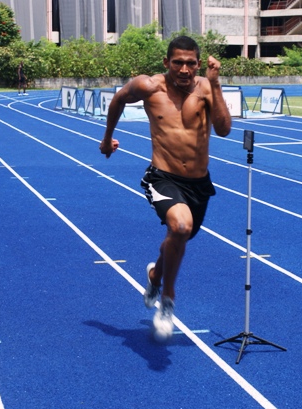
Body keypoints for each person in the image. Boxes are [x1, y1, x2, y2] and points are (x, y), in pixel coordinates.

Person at [99, 36, 232, 340]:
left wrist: (216, 83)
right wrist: (107, 138)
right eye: (177, 62)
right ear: (166, 62)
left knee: (178, 238)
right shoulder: (149, 86)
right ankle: (168, 301)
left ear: (198, 64)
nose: (184, 69)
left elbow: (224, 130)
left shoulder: (206, 88)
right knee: (181, 227)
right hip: (162, 176)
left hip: (198, 182)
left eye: (190, 63)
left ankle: (155, 276)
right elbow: (119, 98)